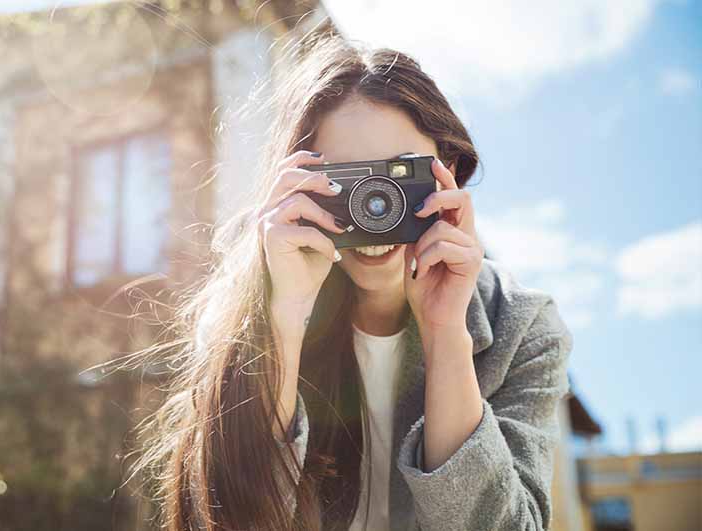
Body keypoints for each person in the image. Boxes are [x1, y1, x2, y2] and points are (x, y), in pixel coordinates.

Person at [125, 31, 573, 531]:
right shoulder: (240, 302)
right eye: (346, 182)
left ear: (448, 176)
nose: (375, 208)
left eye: (398, 177)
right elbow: (218, 517)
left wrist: (447, 332)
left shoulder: (523, 328)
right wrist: (283, 317)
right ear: (296, 184)